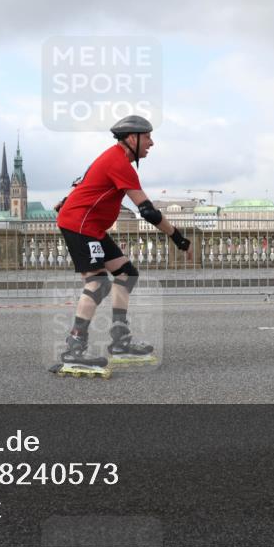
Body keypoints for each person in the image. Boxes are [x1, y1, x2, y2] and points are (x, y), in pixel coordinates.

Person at [51, 114, 190, 378]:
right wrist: (178, 238)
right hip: (80, 224)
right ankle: (74, 348)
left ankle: (120, 340)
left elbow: (85, 182)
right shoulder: (120, 162)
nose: (152, 143)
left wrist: (67, 199)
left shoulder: (113, 157)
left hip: (90, 225)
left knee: (127, 274)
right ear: (132, 138)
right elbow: (147, 211)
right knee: (97, 282)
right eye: (147, 137)